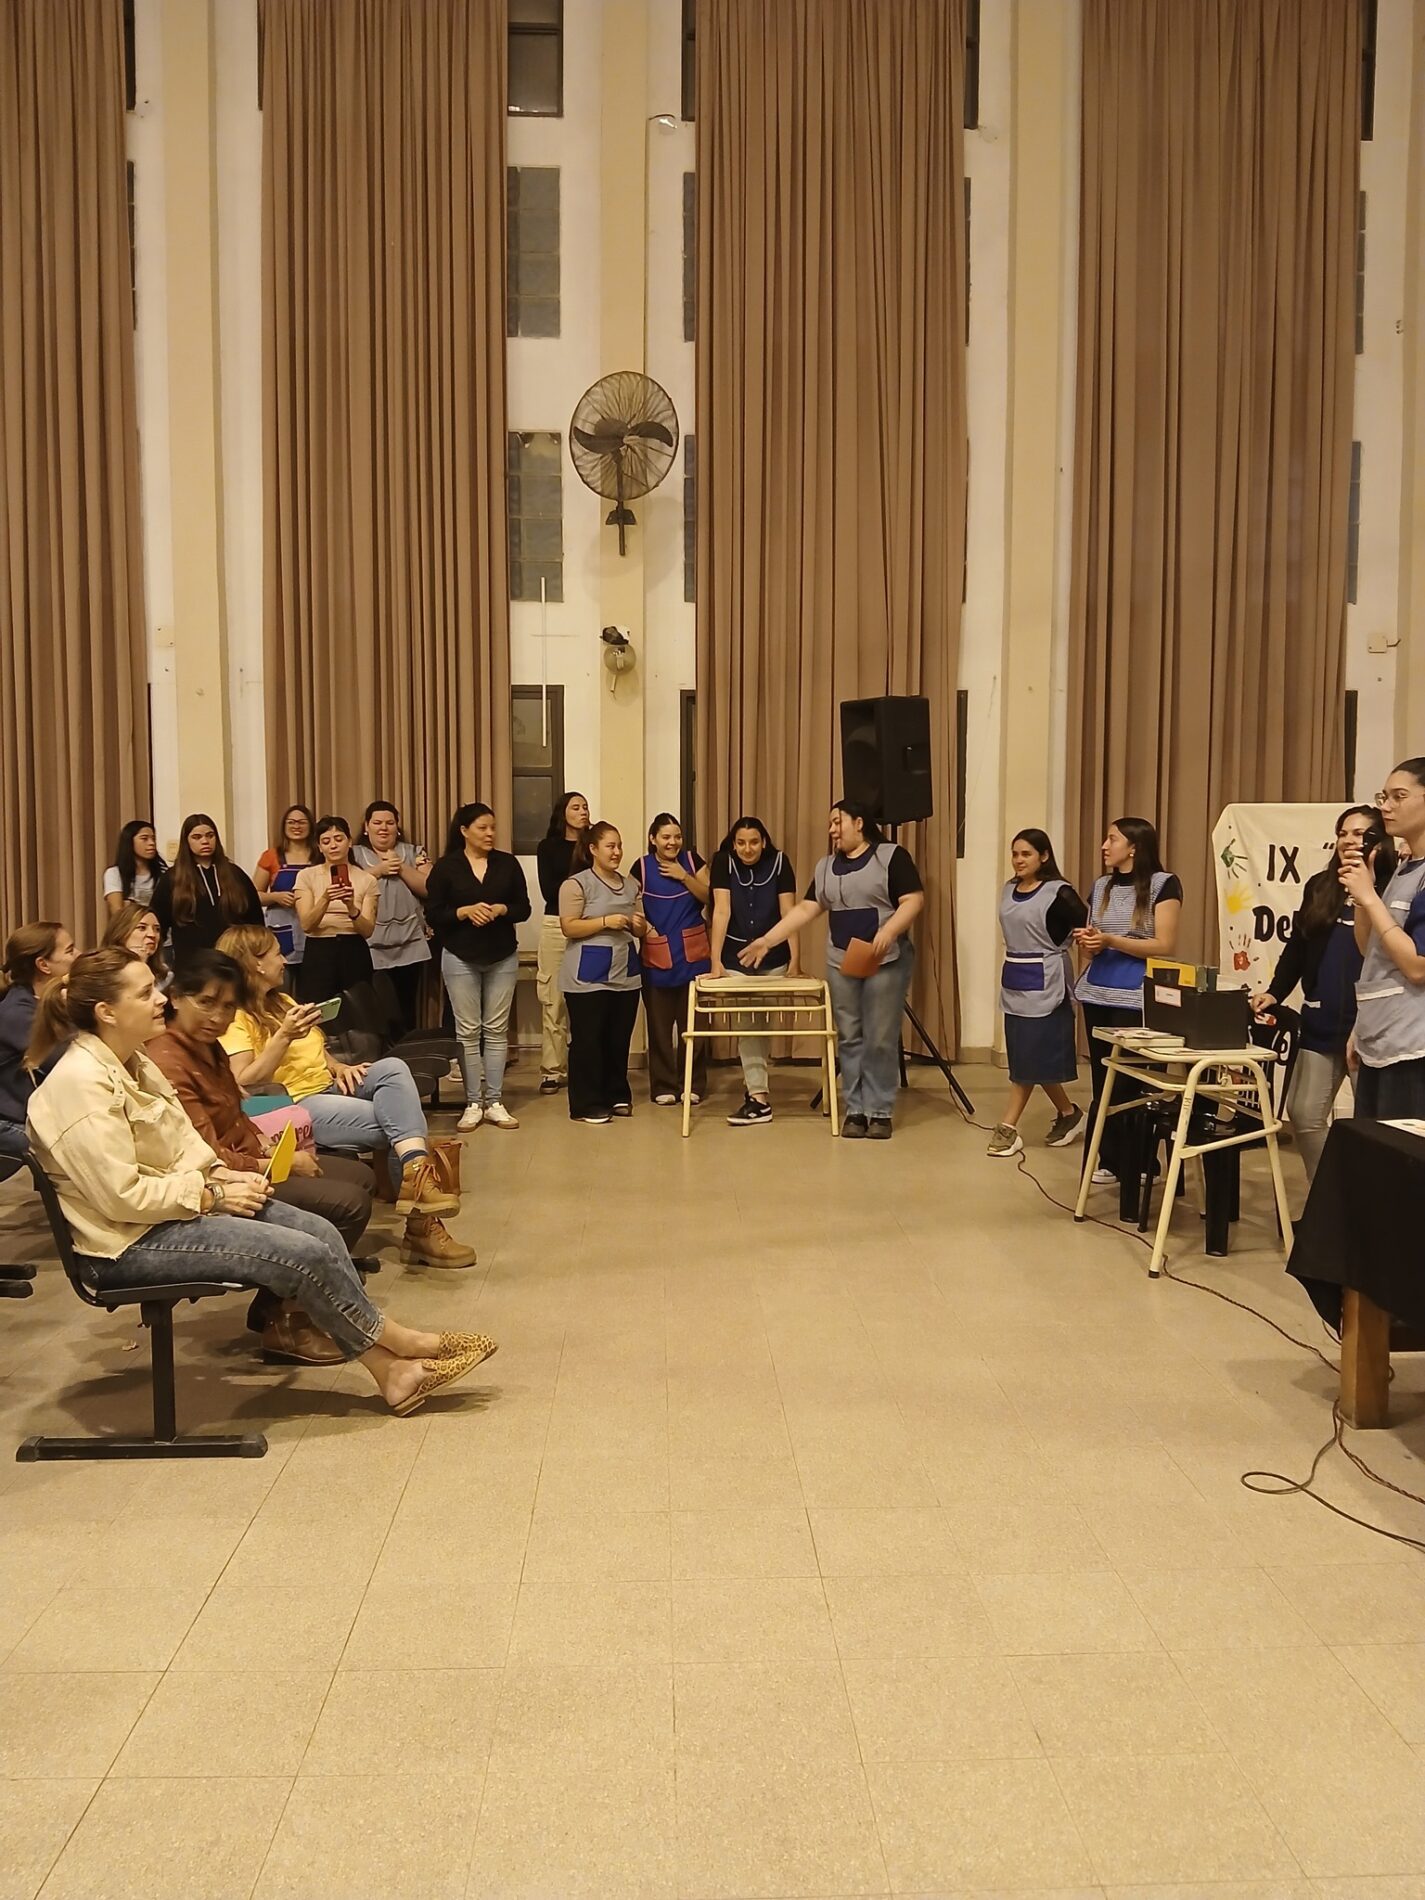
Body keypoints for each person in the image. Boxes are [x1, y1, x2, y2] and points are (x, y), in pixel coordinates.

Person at [24, 949, 494, 1416]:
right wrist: (215, 1195)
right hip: (126, 1243)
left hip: (169, 1211)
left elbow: (183, 1145)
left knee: (320, 1232)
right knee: (302, 1253)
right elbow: (121, 1197)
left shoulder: (134, 1062)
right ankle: (402, 1344)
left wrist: (227, 1176)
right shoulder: (81, 1084)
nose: (161, 1000)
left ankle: (391, 1372)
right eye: (146, 993)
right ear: (106, 1012)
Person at [149, 951, 384, 1362]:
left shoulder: (207, 1046)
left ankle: (277, 1301)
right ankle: (288, 1321)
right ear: (177, 998)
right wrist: (277, 1165)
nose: (218, 1017)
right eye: (206, 1002)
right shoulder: (168, 1059)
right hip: (220, 1183)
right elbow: (203, 1155)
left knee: (360, 1177)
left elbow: (237, 1116)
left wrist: (270, 1148)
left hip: (248, 1162)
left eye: (227, 1007)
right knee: (348, 1203)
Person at [217, 925, 474, 1267]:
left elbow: (315, 1048)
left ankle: (415, 1174)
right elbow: (242, 1080)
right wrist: (283, 1036)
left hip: (328, 1085)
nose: (285, 960)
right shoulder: (237, 1017)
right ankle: (421, 1225)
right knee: (400, 1127)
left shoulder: (282, 1002)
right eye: (277, 953)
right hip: (295, 1103)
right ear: (255, 964)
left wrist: (338, 1066)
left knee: (393, 1069)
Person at [741, 800, 923, 1140]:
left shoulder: (891, 857)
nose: (832, 830)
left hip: (885, 961)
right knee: (850, 1036)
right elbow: (806, 909)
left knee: (880, 1037)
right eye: (830, 824)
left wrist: (889, 931)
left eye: (837, 822)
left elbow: (913, 900)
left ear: (859, 823)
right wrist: (768, 940)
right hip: (842, 962)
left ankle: (880, 1111)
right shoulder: (826, 867)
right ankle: (855, 1109)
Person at [1252, 805, 1392, 1180]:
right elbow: (1298, 945)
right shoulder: (1320, 885)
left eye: (1360, 834)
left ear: (1380, 841)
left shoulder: (1392, 887)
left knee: (1375, 1129)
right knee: (1304, 1114)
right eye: (1343, 833)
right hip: (1321, 1021)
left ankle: (1368, 1205)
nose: (1349, 840)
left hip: (1371, 1029)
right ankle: (1329, 1197)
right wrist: (1276, 992)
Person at [1072, 816, 1182, 1185]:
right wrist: (1089, 943)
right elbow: (1094, 940)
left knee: (1132, 1084)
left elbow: (1164, 944)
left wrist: (1112, 941)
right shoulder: (1101, 885)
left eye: (1112, 839)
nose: (1105, 846)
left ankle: (1143, 1163)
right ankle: (1110, 1160)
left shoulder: (1163, 885)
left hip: (1136, 997)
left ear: (1134, 847)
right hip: (1097, 992)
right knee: (1103, 1081)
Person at [424, 802, 531, 1132]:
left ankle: (494, 1101)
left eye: (492, 828)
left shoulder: (507, 863)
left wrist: (501, 909)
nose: (490, 833)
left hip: (502, 955)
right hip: (459, 956)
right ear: (464, 831)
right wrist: (464, 912)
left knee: (496, 1030)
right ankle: (473, 1103)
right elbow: (433, 914)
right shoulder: (446, 867)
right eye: (482, 828)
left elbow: (523, 908)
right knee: (468, 1031)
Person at [986, 829, 1088, 1158]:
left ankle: (1008, 1126)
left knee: (1029, 1057)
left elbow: (1088, 927)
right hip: (1015, 980)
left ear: (1044, 856)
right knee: (1026, 1055)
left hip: (1047, 984)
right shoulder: (1008, 889)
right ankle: (1069, 1114)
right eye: (1015, 854)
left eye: (1026, 854)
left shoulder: (1060, 893)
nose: (1018, 860)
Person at [1342, 759, 1425, 1120]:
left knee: (1402, 1151)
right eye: (1384, 796)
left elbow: (1417, 967)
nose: (1386, 807)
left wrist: (1370, 898)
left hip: (1414, 1048)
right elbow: (1370, 950)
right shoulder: (1405, 868)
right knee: (1373, 1147)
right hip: (1380, 1037)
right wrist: (1365, 895)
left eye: (1399, 796)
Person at [708, 815, 799, 1127]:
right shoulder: (723, 862)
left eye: (754, 842)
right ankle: (758, 1097)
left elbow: (789, 913)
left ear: (764, 842)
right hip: (735, 959)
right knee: (747, 1022)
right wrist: (715, 961)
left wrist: (796, 962)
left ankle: (757, 1092)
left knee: (762, 1023)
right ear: (733, 844)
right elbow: (721, 911)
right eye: (741, 843)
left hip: (775, 957)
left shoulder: (780, 863)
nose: (748, 849)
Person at [559, 821, 650, 1123]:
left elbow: (641, 925)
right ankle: (586, 1103)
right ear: (593, 849)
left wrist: (639, 926)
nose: (617, 852)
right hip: (587, 975)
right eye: (610, 846)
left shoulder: (631, 885)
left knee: (618, 1038)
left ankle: (617, 1094)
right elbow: (569, 926)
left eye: (619, 846)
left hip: (625, 973)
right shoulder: (576, 884)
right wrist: (604, 922)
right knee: (588, 1040)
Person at [633, 813, 711, 1105]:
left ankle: (692, 1083)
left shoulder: (692, 861)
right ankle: (663, 1085)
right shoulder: (641, 867)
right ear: (653, 839)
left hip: (694, 956)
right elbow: (630, 905)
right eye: (666, 837)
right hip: (657, 954)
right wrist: (646, 929)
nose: (672, 842)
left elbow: (710, 897)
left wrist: (684, 876)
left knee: (695, 1026)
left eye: (677, 836)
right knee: (659, 1027)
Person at [352, 800, 432, 1033]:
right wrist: (378, 871)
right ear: (366, 827)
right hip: (369, 944)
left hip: (409, 943)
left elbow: (430, 887)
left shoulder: (414, 852)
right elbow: (348, 886)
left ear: (397, 826)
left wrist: (401, 867)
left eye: (389, 823)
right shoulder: (354, 854)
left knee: (406, 1008)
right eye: (377, 823)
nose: (383, 828)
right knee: (373, 1009)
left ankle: (406, 1050)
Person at [0, 923, 77, 1156]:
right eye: (70, 951)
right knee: (83, 1150)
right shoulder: (16, 1013)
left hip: (34, 1114)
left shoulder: (47, 1001)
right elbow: (69, 1063)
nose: (78, 955)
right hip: (9, 1123)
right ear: (43, 965)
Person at [150, 813, 263, 968]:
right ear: (186, 841)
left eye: (210, 835)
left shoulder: (235, 874)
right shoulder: (172, 878)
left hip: (233, 963)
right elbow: (157, 923)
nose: (205, 841)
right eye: (197, 837)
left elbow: (256, 922)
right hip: (191, 966)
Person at [534, 791, 591, 1094]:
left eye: (585, 807)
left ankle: (584, 1066)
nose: (582, 812)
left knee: (586, 1002)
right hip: (556, 924)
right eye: (576, 807)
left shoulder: (593, 845)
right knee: (552, 1001)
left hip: (589, 924)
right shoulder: (548, 847)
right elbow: (549, 890)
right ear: (563, 813)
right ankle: (553, 1070)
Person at [293, 814, 379, 1003]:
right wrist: (326, 898)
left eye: (339, 839)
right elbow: (307, 925)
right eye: (326, 841)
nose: (333, 845)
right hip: (319, 949)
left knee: (358, 1008)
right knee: (318, 1009)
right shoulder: (306, 876)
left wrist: (351, 907)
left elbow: (368, 931)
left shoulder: (367, 879)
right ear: (319, 847)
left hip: (354, 949)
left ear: (350, 842)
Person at [253, 804, 317, 980]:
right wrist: (276, 897)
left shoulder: (319, 856)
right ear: (283, 826)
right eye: (291, 822)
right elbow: (254, 895)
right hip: (282, 929)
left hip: (315, 928)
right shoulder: (271, 856)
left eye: (302, 822)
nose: (296, 826)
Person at [103, 819, 166, 915]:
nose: (151, 843)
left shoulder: (164, 873)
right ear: (129, 842)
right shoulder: (114, 873)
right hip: (129, 924)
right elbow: (117, 912)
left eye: (153, 838)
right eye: (144, 839)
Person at [101, 901, 169, 989]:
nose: (152, 935)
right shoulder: (101, 973)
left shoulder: (166, 977)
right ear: (121, 933)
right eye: (142, 928)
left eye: (157, 929)